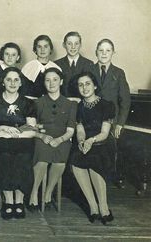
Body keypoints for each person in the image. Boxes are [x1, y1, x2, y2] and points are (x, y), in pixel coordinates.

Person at [0, 67, 37, 219]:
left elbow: (32, 130)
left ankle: (19, 200)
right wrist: (2, 130)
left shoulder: (28, 103)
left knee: (23, 155)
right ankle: (8, 200)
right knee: (5, 155)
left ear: (21, 83)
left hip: (22, 140)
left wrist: (10, 135)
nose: (12, 83)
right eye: (8, 79)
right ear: (3, 82)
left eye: (16, 79)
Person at [70, 72, 115, 224]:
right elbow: (80, 130)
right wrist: (82, 141)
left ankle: (104, 207)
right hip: (86, 143)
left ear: (95, 85)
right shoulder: (78, 107)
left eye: (88, 83)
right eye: (81, 85)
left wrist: (90, 141)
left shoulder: (107, 105)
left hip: (101, 143)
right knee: (76, 160)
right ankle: (93, 206)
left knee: (94, 159)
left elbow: (104, 133)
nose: (84, 87)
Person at [29, 68, 76, 210]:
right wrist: (41, 135)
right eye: (47, 80)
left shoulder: (70, 104)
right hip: (42, 139)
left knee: (60, 161)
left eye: (55, 79)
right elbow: (31, 127)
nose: (51, 83)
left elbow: (70, 131)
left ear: (61, 82)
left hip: (62, 139)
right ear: (44, 83)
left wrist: (60, 140)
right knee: (42, 159)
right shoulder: (38, 103)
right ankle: (33, 195)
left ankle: (48, 194)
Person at [89, 39, 130, 186]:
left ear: (113, 52)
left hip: (112, 121)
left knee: (110, 151)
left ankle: (107, 180)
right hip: (91, 119)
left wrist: (120, 123)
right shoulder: (89, 70)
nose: (104, 54)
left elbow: (125, 101)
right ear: (96, 52)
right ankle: (92, 180)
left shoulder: (118, 73)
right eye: (101, 50)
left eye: (108, 50)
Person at [55, 32, 93, 98]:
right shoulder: (57, 64)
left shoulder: (89, 64)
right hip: (63, 104)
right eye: (69, 44)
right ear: (64, 45)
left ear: (80, 45)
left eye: (76, 43)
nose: (73, 47)